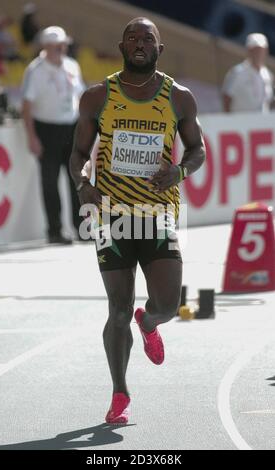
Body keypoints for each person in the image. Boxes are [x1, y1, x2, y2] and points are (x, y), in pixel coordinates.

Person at [70, 17, 205, 423]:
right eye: (133, 38)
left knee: (168, 304)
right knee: (116, 309)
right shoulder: (98, 96)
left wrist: (178, 171)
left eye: (148, 38)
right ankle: (119, 393)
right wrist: (83, 184)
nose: (140, 43)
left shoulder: (179, 97)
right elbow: (78, 154)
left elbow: (197, 150)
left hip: (157, 214)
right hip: (113, 217)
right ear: (121, 47)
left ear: (159, 50)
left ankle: (148, 322)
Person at [22, 26, 86, 244]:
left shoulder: (71, 65)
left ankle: (82, 228)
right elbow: (27, 105)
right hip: (47, 129)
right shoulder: (36, 70)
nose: (62, 49)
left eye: (64, 45)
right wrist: (32, 136)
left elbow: (81, 96)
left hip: (70, 126)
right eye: (58, 46)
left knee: (77, 179)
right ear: (46, 47)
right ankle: (55, 230)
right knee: (49, 182)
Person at [222, 33, 274, 113]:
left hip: (262, 123)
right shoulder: (237, 72)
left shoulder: (268, 75)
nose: (258, 53)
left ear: (266, 51)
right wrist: (230, 121)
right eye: (255, 50)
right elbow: (227, 98)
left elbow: (269, 102)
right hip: (240, 122)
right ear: (248, 51)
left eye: (261, 50)